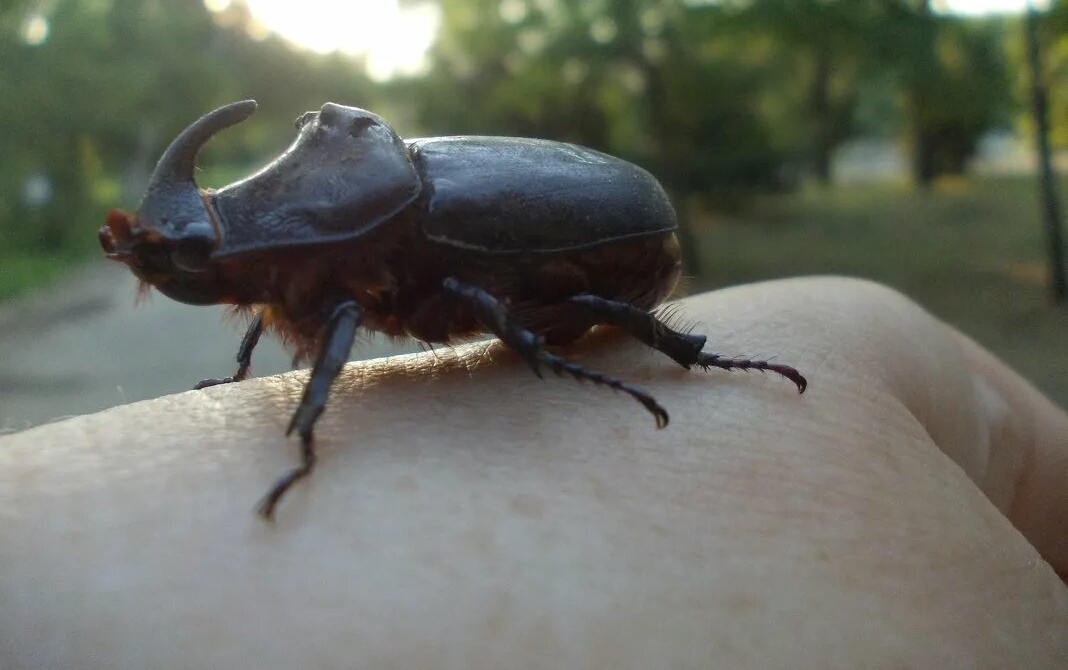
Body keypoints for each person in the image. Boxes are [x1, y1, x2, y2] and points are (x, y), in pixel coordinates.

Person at [1, 278, 1065, 669]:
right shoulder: (332, 264)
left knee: (559, 306)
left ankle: (682, 361)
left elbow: (329, 311)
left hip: (590, 263)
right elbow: (285, 303)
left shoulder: (391, 248)